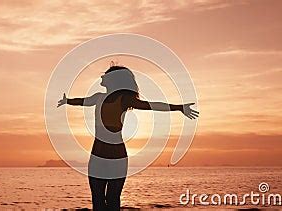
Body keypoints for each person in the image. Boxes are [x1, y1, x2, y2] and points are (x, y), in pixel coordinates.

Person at [57, 65, 198, 211]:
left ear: (114, 79)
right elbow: (82, 101)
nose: (102, 77)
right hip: (97, 155)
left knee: (112, 199)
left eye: (105, 75)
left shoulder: (124, 99)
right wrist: (67, 101)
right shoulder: (98, 97)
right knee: (97, 200)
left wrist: (179, 107)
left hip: (116, 155)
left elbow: (152, 105)